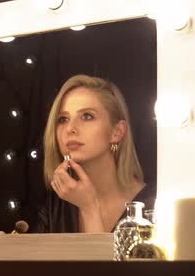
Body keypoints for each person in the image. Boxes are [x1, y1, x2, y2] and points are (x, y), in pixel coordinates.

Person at [36, 74, 155, 233]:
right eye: (63, 119)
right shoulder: (56, 206)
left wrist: (89, 208)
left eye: (87, 116)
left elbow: (99, 259)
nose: (70, 129)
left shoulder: (154, 207)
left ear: (117, 132)